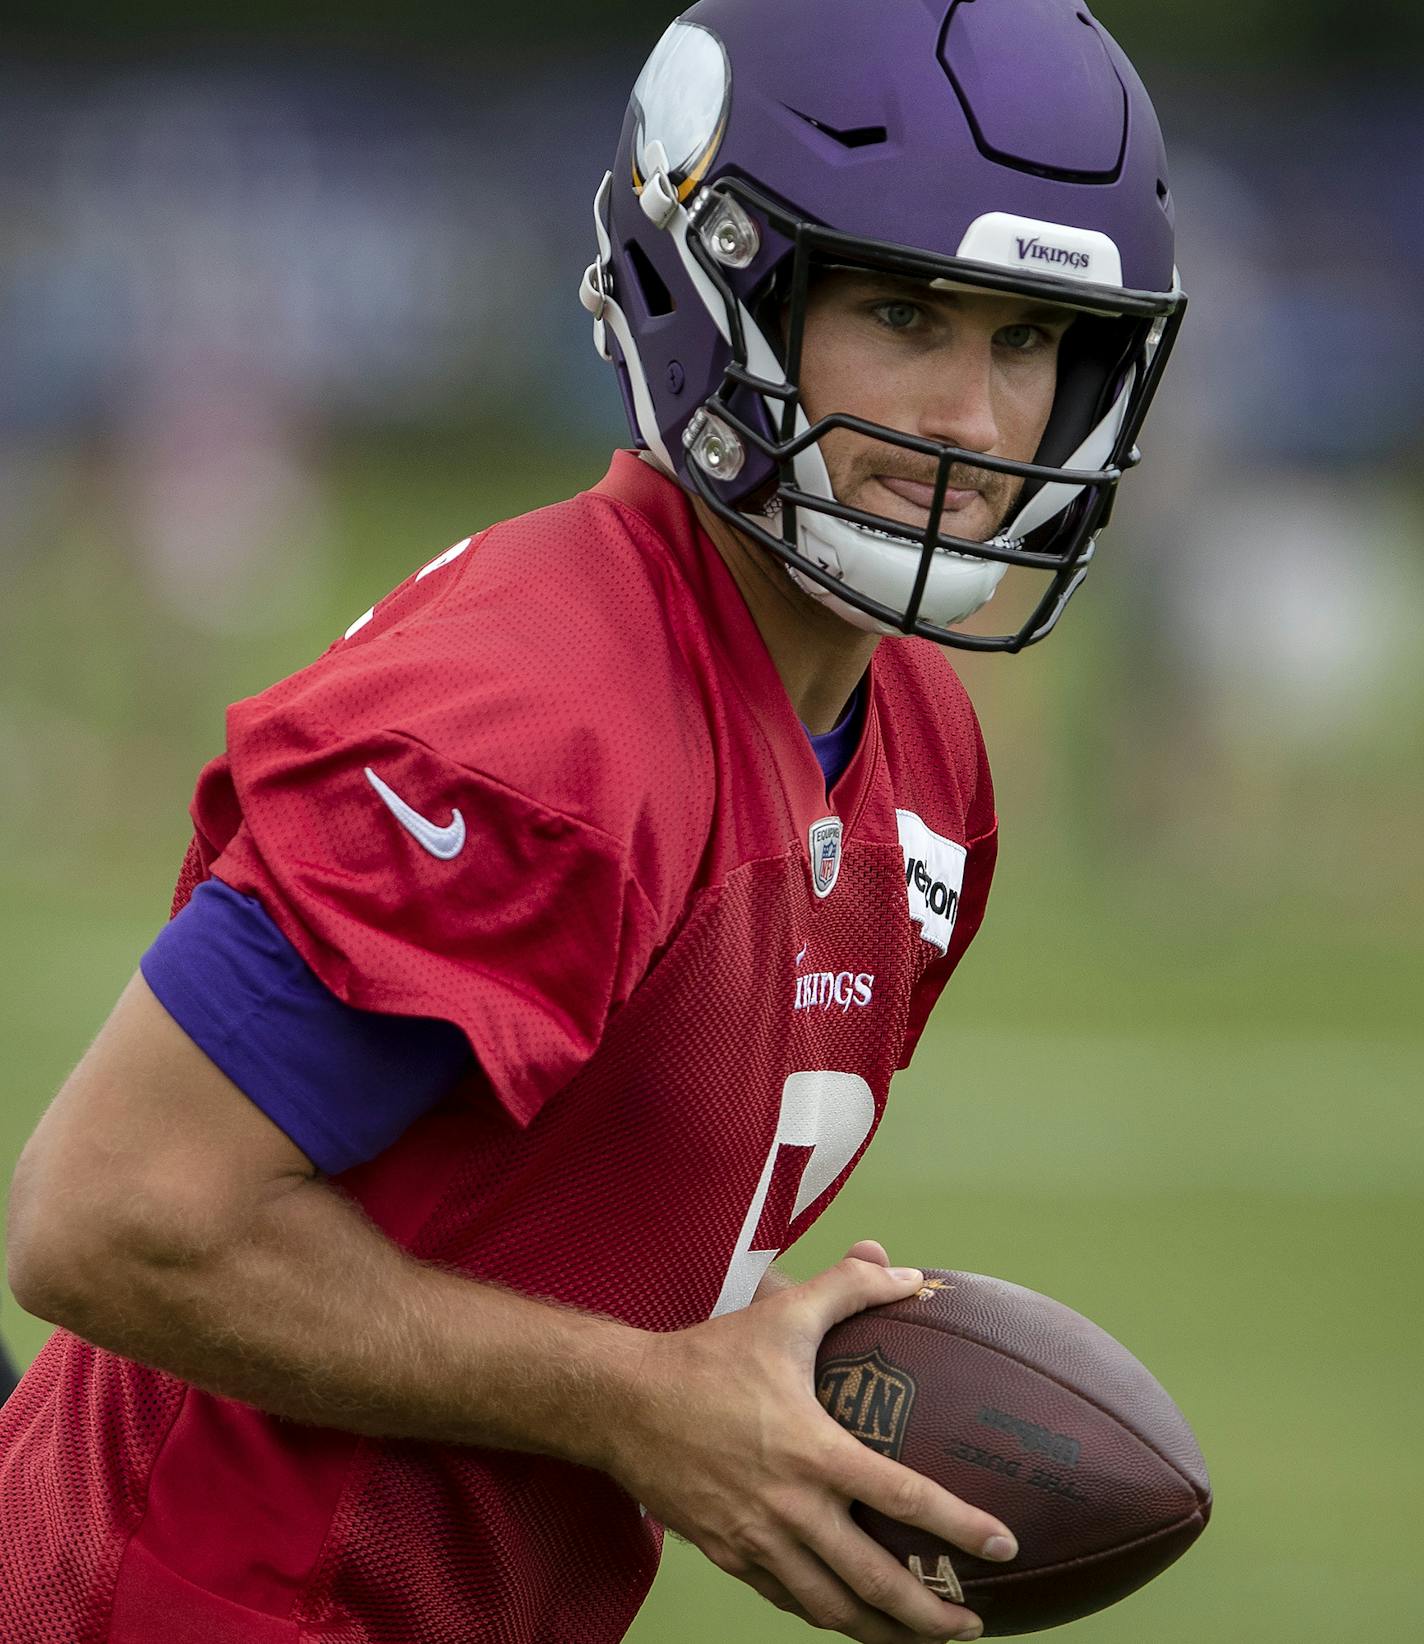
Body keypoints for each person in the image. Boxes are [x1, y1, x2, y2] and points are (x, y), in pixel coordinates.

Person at [0, 2, 1183, 1641]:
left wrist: (741, 1379)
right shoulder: (542, 725)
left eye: (1029, 339)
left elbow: (540, 1223)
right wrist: (645, 1403)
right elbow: (108, 1220)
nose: (979, 424)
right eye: (906, 313)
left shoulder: (924, 750)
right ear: (722, 291)